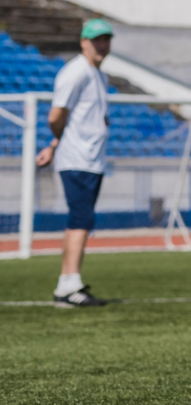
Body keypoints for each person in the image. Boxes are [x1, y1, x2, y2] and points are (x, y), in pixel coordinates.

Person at [38, 18, 114, 308]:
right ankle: (70, 286)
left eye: (106, 39)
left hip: (90, 158)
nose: (102, 44)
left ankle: (67, 283)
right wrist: (61, 143)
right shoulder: (76, 72)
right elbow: (56, 116)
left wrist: (54, 145)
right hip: (79, 159)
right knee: (81, 220)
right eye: (97, 39)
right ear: (83, 41)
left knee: (78, 221)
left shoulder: (99, 75)